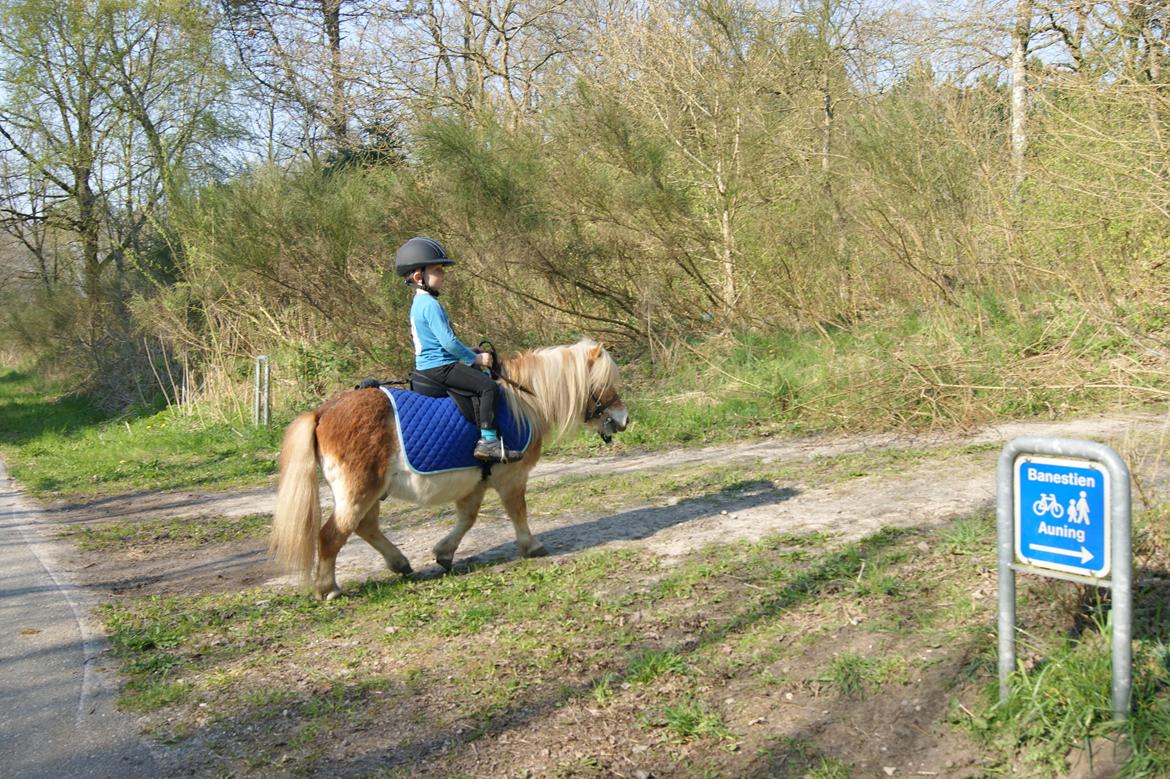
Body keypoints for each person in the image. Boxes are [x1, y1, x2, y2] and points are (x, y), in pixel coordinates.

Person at [395, 236, 523, 463]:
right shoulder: (431, 305)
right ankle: (489, 442)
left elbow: (443, 343)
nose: (443, 275)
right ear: (418, 276)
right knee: (487, 386)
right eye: (437, 270)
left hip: (431, 366)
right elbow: (448, 344)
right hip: (440, 368)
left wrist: (468, 351)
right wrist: (476, 359)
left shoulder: (418, 304)